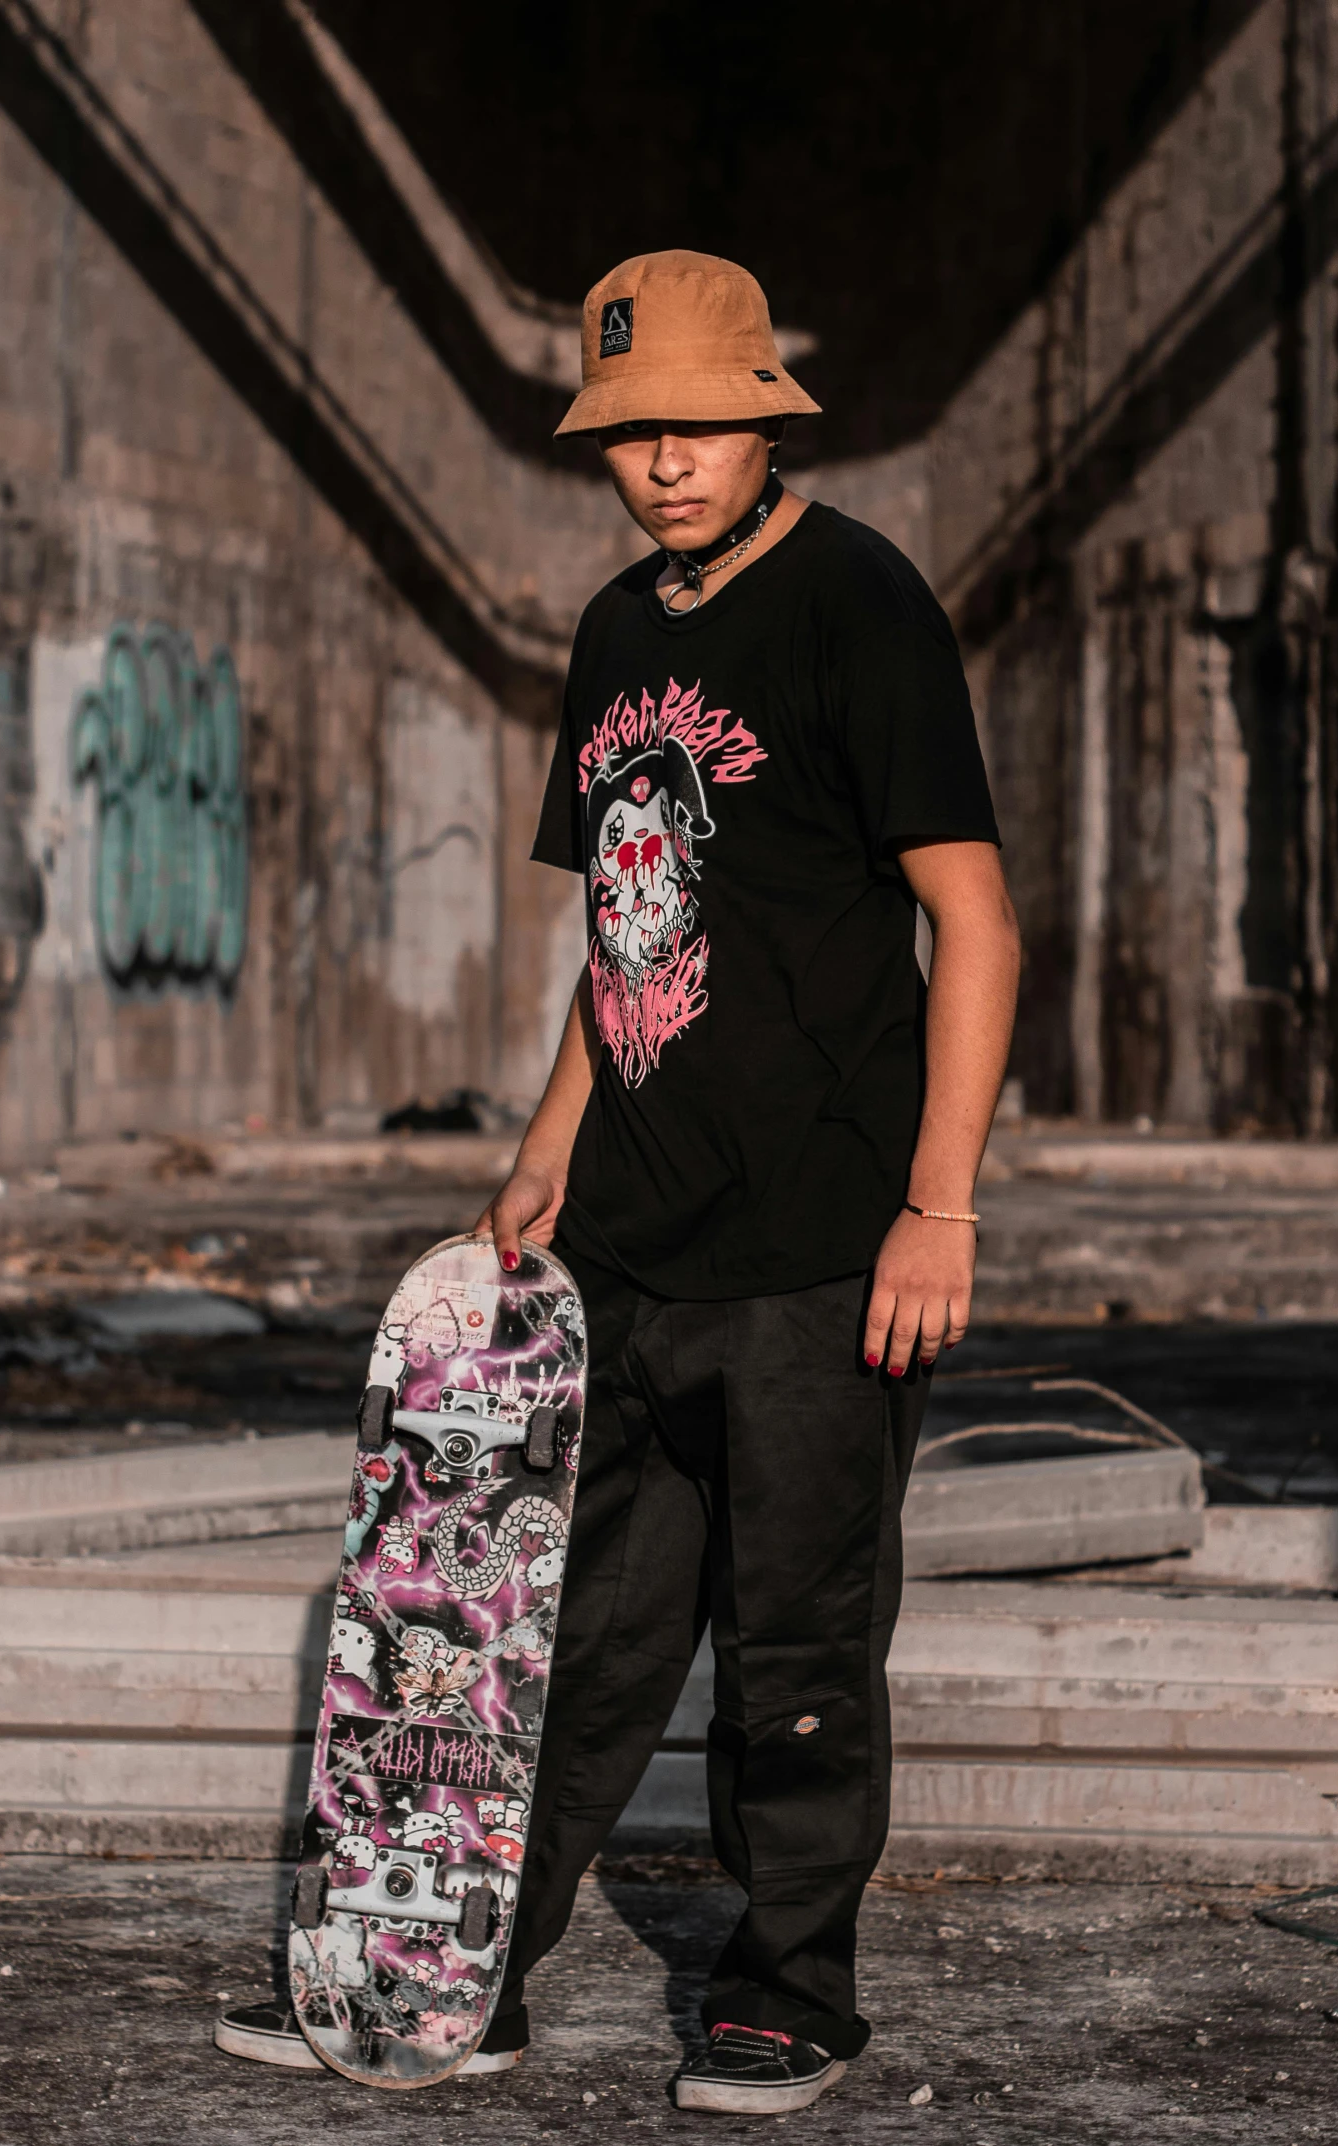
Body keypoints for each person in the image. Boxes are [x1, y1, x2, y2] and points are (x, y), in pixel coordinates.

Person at [216, 248, 1019, 2115]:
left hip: (830, 1248)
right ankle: (461, 1969)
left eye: (696, 424)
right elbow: (628, 928)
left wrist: (941, 1201)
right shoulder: (611, 633)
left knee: (801, 1645)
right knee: (564, 1640)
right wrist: (552, 1130)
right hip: (635, 1245)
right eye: (629, 431)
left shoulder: (858, 605)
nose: (663, 460)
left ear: (762, 416)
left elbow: (972, 920)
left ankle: (790, 1985)